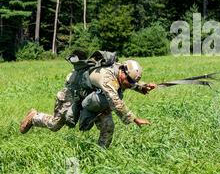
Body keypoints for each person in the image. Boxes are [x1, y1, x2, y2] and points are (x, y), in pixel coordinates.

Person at [20, 57, 156, 148]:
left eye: (133, 82)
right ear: (122, 73)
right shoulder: (106, 77)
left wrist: (142, 87)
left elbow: (126, 83)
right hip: (72, 94)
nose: (131, 84)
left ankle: (100, 156)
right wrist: (135, 119)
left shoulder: (121, 72)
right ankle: (34, 117)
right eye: (131, 81)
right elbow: (116, 102)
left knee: (108, 127)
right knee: (54, 125)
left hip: (93, 97)